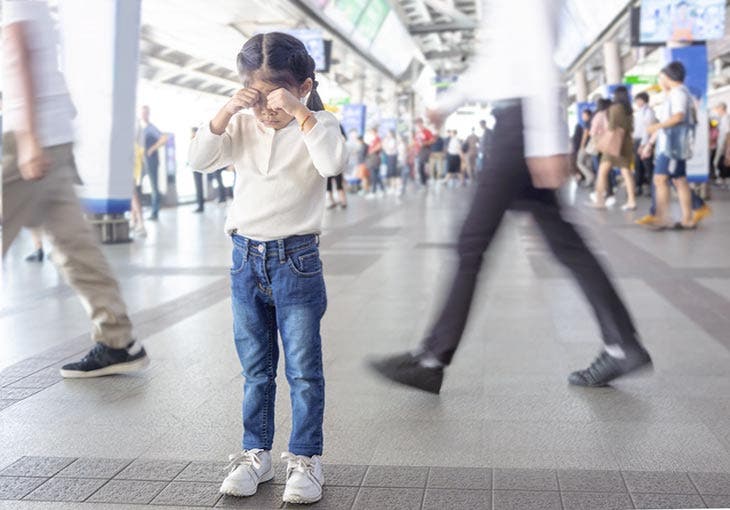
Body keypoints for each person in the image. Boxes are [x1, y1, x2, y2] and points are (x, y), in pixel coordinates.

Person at [369, 0, 651, 394]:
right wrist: (446, 105)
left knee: (472, 242)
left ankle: (432, 358)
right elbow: (499, 59)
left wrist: (545, 140)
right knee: (564, 242)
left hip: (519, 126)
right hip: (518, 123)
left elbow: (536, 55)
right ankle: (622, 343)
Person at [187, 32, 346, 504]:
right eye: (256, 96)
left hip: (296, 260)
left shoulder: (321, 124)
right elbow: (199, 160)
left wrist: (300, 113)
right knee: (256, 369)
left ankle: (305, 459)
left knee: (302, 369)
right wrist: (227, 112)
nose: (265, 109)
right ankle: (255, 454)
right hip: (244, 259)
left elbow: (332, 163)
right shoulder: (241, 126)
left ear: (303, 85)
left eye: (274, 95)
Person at [2, 0, 149, 378]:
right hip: (54, 138)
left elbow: (18, 55)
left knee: (72, 246)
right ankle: (118, 340)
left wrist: (30, 136)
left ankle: (117, 338)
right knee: (73, 247)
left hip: (28, 138)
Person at [646, 61, 700, 229]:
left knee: (660, 179)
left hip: (672, 146)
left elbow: (678, 116)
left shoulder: (677, 93)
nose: (660, 81)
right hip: (675, 144)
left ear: (669, 77)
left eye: (661, 77)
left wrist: (657, 126)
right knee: (679, 180)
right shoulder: (681, 92)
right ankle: (687, 219)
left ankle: (662, 218)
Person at [592, 86, 637, 211]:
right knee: (626, 173)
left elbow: (612, 128)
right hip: (626, 143)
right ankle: (632, 201)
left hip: (614, 144)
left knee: (602, 172)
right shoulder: (629, 110)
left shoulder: (615, 108)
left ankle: (600, 201)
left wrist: (603, 140)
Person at [139, 105, 168, 221]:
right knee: (137, 186)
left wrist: (152, 148)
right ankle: (139, 211)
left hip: (151, 161)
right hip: (141, 161)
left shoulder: (151, 128)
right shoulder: (139, 128)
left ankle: (154, 212)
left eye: (146, 113)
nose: (144, 115)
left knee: (154, 186)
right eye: (142, 113)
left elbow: (164, 138)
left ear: (148, 114)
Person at [588, 98, 616, 207]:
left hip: (600, 145)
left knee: (600, 170)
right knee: (606, 170)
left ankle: (603, 195)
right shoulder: (610, 115)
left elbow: (593, 132)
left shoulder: (599, 115)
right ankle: (608, 193)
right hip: (609, 144)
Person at [633, 92, 657, 196]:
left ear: (643, 100)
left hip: (644, 141)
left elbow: (646, 129)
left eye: (638, 100)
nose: (637, 102)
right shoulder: (639, 111)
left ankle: (651, 188)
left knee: (647, 165)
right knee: (638, 165)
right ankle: (639, 186)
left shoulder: (648, 112)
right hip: (637, 140)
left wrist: (643, 144)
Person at [575, 109, 595, 186]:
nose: (582, 117)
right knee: (588, 163)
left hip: (586, 146)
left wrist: (582, 145)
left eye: (584, 115)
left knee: (579, 162)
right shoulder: (592, 122)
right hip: (592, 147)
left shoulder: (587, 123)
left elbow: (585, 135)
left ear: (588, 115)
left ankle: (590, 177)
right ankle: (590, 181)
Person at [713, 102, 730, 188]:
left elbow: (728, 135)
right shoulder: (723, 118)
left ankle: (722, 180)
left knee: (719, 162)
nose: (717, 111)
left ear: (722, 109)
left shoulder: (726, 119)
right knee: (721, 162)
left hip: (724, 146)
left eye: (718, 109)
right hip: (721, 145)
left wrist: (728, 149)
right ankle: (723, 180)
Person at [414, 117, 435, 185]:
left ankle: (424, 180)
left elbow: (432, 140)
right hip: (419, 151)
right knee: (420, 166)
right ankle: (423, 180)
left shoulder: (427, 131)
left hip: (425, 150)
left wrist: (425, 143)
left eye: (419, 123)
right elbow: (416, 142)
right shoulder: (417, 132)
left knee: (422, 165)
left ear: (422, 123)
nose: (418, 125)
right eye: (417, 124)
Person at [365, 127, 385, 197]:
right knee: (375, 175)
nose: (371, 133)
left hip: (375, 158)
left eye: (371, 131)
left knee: (374, 175)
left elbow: (379, 146)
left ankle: (374, 191)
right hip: (372, 158)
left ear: (374, 131)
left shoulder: (377, 138)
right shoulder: (373, 139)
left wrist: (372, 151)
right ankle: (382, 189)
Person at [191, 127, 206, 213]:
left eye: (192, 132)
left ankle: (200, 205)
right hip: (195, 167)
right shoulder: (194, 143)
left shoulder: (197, 143)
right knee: (198, 186)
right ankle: (200, 204)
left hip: (198, 168)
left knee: (199, 186)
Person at [383, 129, 399, 193]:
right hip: (389, 156)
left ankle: (393, 187)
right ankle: (391, 186)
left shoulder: (393, 140)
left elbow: (390, 149)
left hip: (392, 156)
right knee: (389, 171)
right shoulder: (388, 140)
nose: (387, 135)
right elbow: (385, 148)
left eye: (388, 133)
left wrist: (386, 143)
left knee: (392, 172)